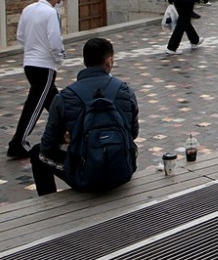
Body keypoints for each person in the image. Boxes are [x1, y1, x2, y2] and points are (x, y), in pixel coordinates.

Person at [30, 38, 139, 196]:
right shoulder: (126, 91)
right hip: (122, 171)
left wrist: (70, 138)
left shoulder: (65, 97)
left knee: (37, 152)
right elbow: (133, 133)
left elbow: (48, 145)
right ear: (109, 61)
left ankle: (48, 204)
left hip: (84, 177)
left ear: (84, 61)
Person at [7, 0, 70, 159]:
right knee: (34, 105)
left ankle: (65, 133)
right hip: (45, 65)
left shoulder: (28, 9)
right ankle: (17, 143)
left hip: (29, 63)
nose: (62, 3)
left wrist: (31, 50)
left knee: (54, 102)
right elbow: (55, 40)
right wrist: (59, 58)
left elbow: (20, 35)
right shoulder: (51, 13)